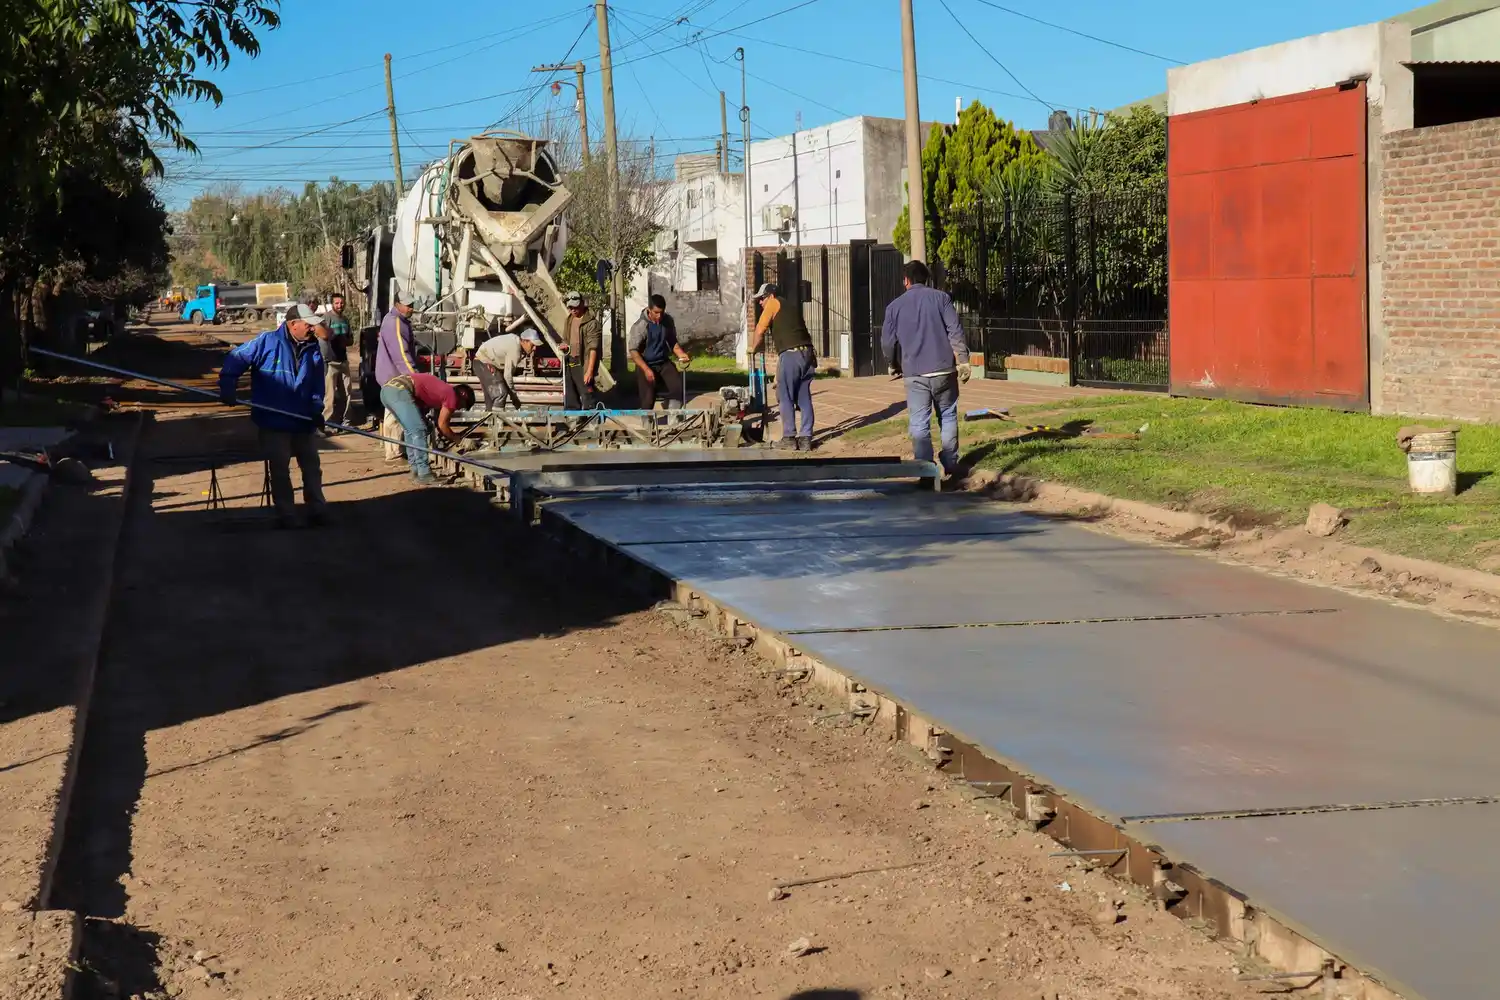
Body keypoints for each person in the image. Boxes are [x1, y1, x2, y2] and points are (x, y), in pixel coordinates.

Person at [218, 303, 329, 527]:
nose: (312, 330)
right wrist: (228, 385)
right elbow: (236, 358)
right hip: (274, 421)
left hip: (303, 420)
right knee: (279, 470)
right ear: (293, 324)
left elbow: (317, 384)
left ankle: (317, 510)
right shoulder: (266, 342)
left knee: (311, 467)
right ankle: (286, 515)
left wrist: (317, 409)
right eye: (308, 325)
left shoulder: (313, 347)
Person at [880, 260, 972, 480]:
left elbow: (887, 342)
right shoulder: (941, 298)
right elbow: (955, 330)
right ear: (926, 279)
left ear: (906, 280)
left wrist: (892, 363)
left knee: (919, 422)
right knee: (948, 415)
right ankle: (951, 463)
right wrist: (963, 360)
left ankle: (925, 469)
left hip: (914, 373)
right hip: (943, 369)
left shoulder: (894, 307)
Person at [748, 282, 816, 451]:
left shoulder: (773, 303)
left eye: (762, 298)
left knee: (784, 395)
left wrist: (752, 349)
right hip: (807, 353)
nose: (760, 302)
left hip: (791, 354)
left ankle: (789, 438)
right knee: (804, 397)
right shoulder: (790, 307)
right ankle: (806, 439)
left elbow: (759, 329)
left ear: (770, 295)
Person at [379, 372, 476, 486]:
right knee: (418, 430)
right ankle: (424, 474)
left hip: (388, 391)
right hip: (399, 391)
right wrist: (460, 441)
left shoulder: (439, 391)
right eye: (462, 405)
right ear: (463, 394)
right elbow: (442, 425)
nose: (458, 408)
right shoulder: (451, 395)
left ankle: (416, 470)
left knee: (411, 431)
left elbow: (437, 425)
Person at [628, 294, 691, 410]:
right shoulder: (640, 326)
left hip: (663, 362)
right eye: (656, 312)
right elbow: (633, 351)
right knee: (648, 398)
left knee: (677, 389)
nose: (659, 316)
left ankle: (673, 420)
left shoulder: (667, 321)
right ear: (649, 310)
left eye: (662, 312)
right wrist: (646, 369)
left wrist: (681, 354)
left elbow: (672, 342)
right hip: (645, 363)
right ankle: (648, 425)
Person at [473, 326, 542, 410]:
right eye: (533, 345)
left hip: (482, 363)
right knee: (500, 394)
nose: (535, 348)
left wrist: (513, 397)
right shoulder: (515, 349)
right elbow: (507, 376)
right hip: (483, 363)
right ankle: (497, 421)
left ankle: (489, 419)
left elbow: (505, 377)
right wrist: (514, 397)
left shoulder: (515, 341)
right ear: (524, 341)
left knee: (492, 397)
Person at [560, 291, 602, 409]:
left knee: (587, 393)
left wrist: (589, 371)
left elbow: (593, 348)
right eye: (570, 307)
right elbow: (566, 339)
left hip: (583, 362)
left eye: (576, 307)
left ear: (583, 304)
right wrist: (564, 345)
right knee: (570, 394)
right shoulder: (569, 320)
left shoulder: (592, 323)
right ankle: (574, 420)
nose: (573, 310)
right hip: (570, 361)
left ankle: (592, 422)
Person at [318, 292, 353, 431]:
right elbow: (321, 336)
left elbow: (351, 339)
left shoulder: (345, 319)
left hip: (343, 361)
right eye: (337, 303)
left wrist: (346, 341)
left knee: (347, 393)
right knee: (329, 396)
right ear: (332, 304)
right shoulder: (326, 318)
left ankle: (346, 422)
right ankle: (326, 424)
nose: (340, 305)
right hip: (331, 362)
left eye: (342, 303)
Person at [375, 289, 420, 387]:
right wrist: (417, 378)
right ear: (397, 304)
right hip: (395, 381)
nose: (411, 308)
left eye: (412, 305)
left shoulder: (397, 319)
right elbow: (401, 356)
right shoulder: (395, 322)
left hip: (393, 379)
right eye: (407, 305)